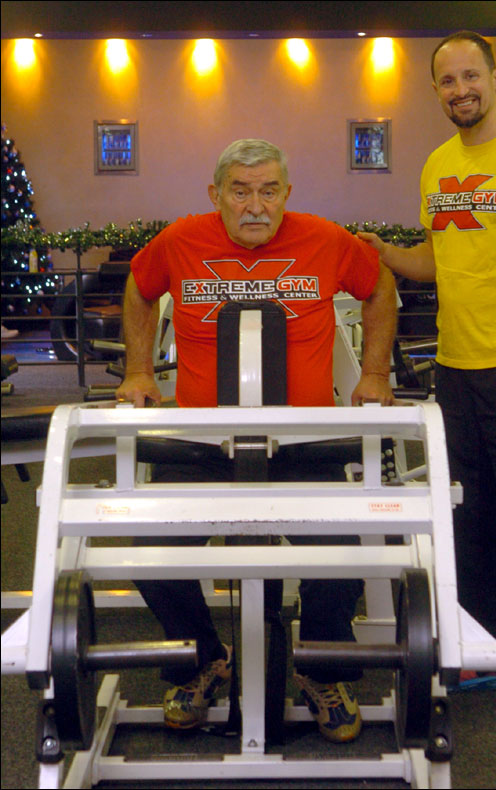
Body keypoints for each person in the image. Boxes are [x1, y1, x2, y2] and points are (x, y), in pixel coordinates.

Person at [116, 138, 396, 743]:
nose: (255, 206)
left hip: (301, 440)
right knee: (150, 551)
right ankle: (203, 662)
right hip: (205, 442)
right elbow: (140, 289)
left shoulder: (323, 238)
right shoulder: (181, 240)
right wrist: (139, 370)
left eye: (269, 191)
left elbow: (379, 287)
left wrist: (374, 373)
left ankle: (320, 669)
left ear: (286, 194)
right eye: (240, 191)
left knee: (343, 549)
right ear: (215, 194)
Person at [359, 31, 496, 738]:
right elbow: (440, 260)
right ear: (436, 91)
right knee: (470, 519)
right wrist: (383, 253)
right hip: (456, 370)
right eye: (447, 80)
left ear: (494, 76)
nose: (461, 89)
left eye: (470, 75)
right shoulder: (438, 165)